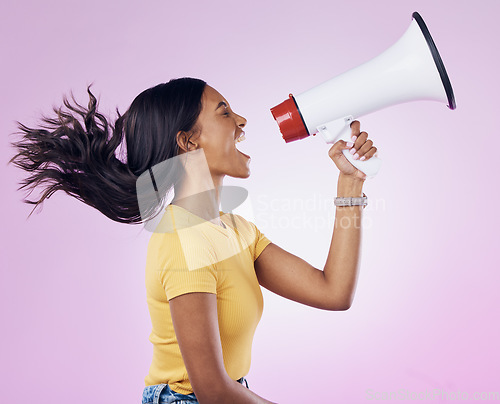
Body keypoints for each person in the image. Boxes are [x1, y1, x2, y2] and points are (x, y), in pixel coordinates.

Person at [8, 77, 377, 404]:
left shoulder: (236, 231)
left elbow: (333, 292)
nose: (242, 121)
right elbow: (211, 389)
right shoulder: (182, 241)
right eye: (224, 113)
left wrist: (350, 185)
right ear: (188, 141)